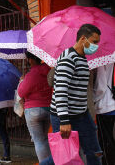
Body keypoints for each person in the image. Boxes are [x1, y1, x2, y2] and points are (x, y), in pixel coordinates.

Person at [40, 24, 102, 165]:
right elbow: (60, 89)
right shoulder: (68, 58)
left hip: (82, 114)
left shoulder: (82, 58)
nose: (96, 46)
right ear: (82, 39)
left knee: (94, 151)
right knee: (62, 157)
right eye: (94, 42)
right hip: (65, 116)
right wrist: (64, 120)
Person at [18, 52, 52, 162]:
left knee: (38, 141)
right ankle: (48, 162)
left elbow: (21, 92)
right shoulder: (49, 71)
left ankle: (44, 163)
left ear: (31, 60)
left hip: (33, 110)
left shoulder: (31, 75)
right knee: (45, 139)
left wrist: (22, 81)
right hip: (48, 108)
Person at [93, 64, 115, 164]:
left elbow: (101, 87)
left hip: (106, 106)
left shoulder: (103, 61)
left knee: (106, 142)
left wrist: (93, 99)